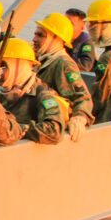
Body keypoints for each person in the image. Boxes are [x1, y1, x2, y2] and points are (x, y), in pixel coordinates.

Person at [32, 13, 94, 142]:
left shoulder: (63, 64)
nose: (34, 39)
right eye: (35, 34)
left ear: (56, 39)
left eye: (40, 35)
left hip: (52, 130)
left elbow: (82, 96)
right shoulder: (43, 60)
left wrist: (79, 117)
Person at [0, 38, 65, 145]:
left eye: (4, 66)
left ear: (18, 67)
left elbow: (54, 131)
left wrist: (17, 129)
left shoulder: (42, 95)